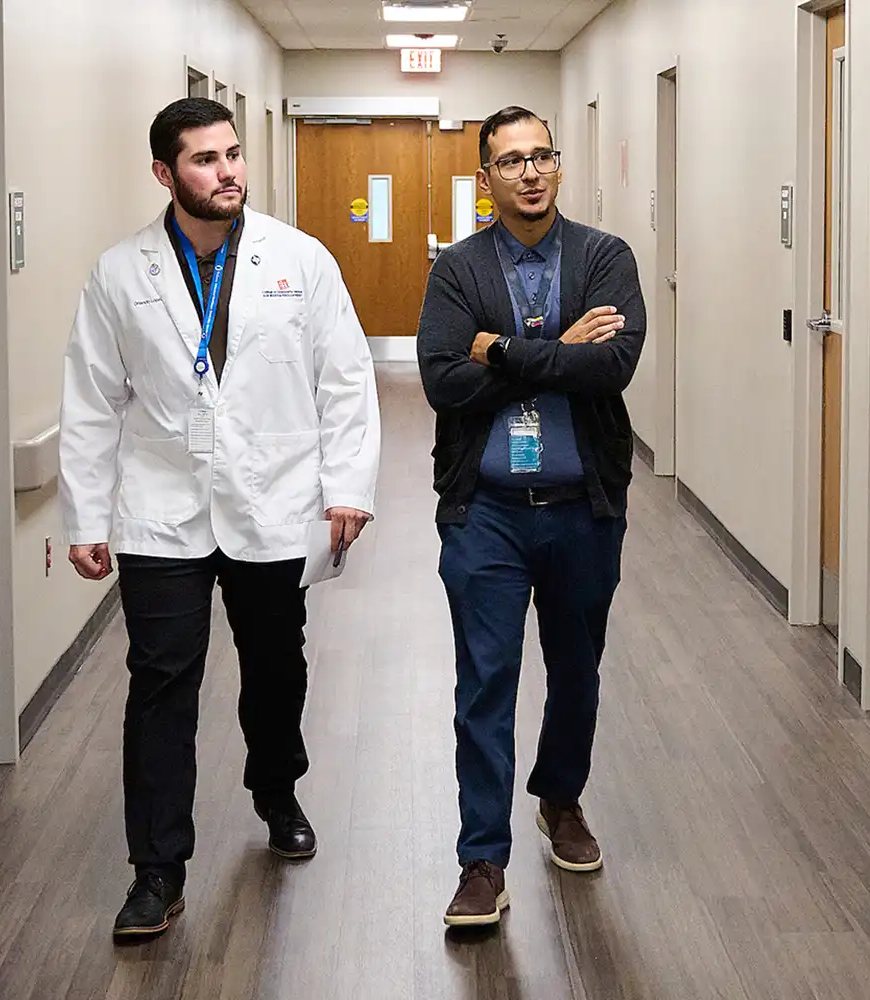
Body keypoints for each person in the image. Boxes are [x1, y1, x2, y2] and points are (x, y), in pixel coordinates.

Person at [58, 97, 380, 941]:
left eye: (233, 154)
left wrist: (347, 486)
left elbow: (344, 377)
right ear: (165, 174)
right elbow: (93, 402)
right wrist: (86, 514)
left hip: (272, 500)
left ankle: (277, 788)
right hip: (160, 510)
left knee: (276, 669)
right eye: (205, 159)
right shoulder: (120, 273)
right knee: (161, 684)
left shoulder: (299, 260)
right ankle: (156, 870)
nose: (228, 170)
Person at [416, 106, 646, 928]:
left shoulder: (603, 257)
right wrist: (554, 356)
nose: (530, 172)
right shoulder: (459, 270)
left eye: (541, 155)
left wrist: (500, 350)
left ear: (558, 164)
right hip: (487, 515)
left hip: (584, 510)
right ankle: (481, 858)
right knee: (485, 683)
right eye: (510, 161)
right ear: (486, 178)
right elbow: (442, 381)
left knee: (577, 672)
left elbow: (612, 364)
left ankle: (560, 800)